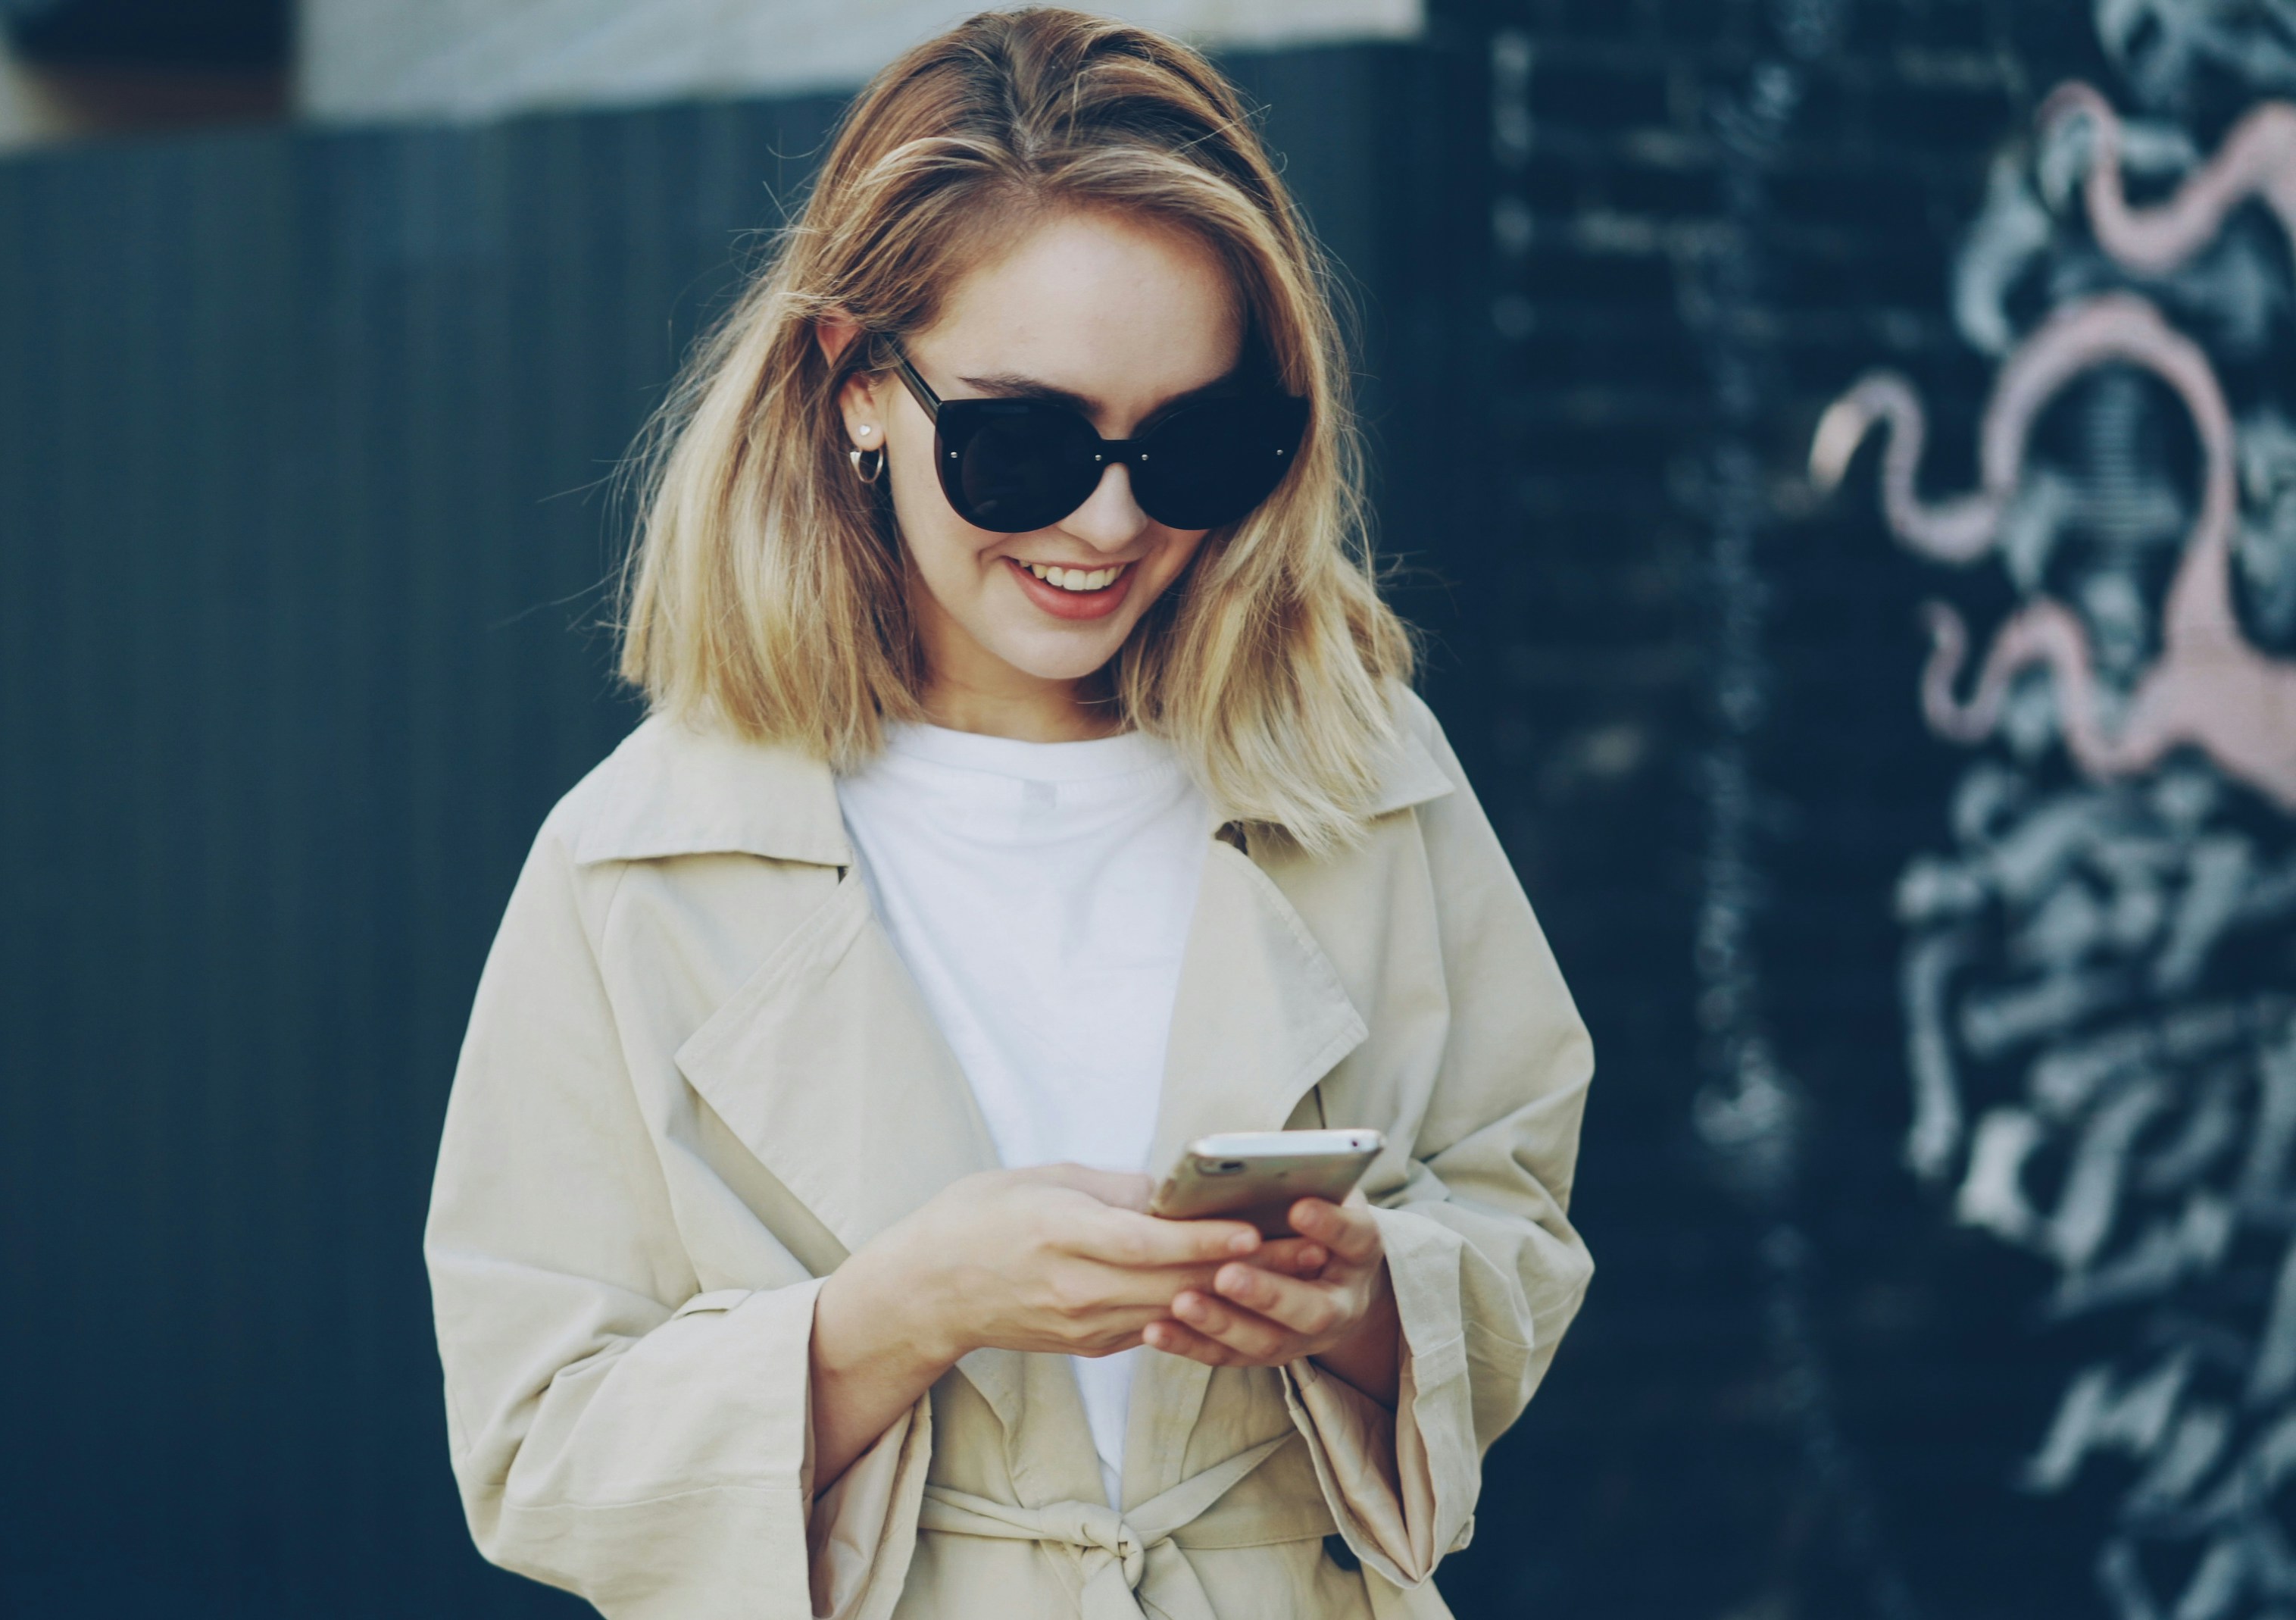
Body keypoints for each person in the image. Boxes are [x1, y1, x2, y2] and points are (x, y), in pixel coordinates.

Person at [423, 9, 1593, 1617]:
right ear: (854, 384)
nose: (1108, 521)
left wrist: (1364, 1298)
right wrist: (903, 1309)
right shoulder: (634, 863)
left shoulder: (1362, 776)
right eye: (1019, 444)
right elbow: (535, 1444)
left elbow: (1518, 1220)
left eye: (1193, 446)